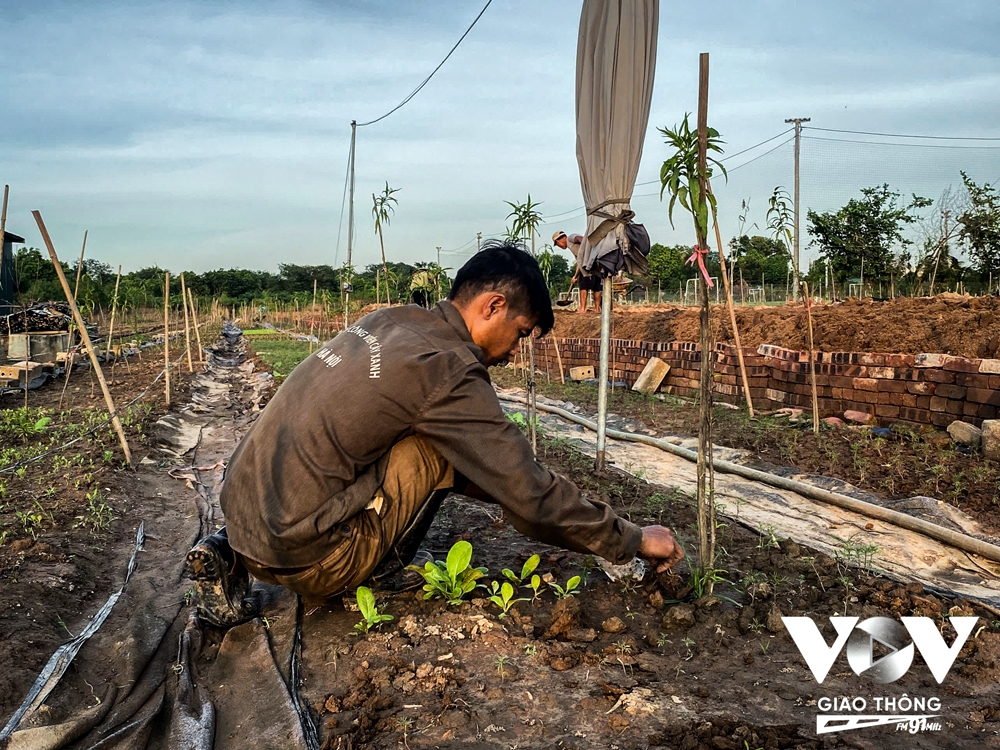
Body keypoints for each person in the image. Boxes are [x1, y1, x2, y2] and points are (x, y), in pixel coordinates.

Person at [185, 241, 683, 627]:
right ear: (493, 305)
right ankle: (375, 568)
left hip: (242, 518)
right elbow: (531, 496)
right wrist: (633, 538)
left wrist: (501, 489)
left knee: (406, 442)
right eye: (522, 332)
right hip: (310, 561)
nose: (516, 351)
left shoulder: (389, 320)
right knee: (435, 451)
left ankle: (227, 550)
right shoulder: (448, 370)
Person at [553, 230, 602, 314]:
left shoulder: (571, 238)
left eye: (557, 245)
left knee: (583, 285)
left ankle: (582, 309)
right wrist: (575, 276)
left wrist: (587, 249)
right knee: (596, 286)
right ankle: (597, 309)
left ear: (558, 241)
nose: (559, 246)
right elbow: (578, 263)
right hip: (594, 262)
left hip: (587, 263)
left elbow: (582, 240)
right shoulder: (573, 247)